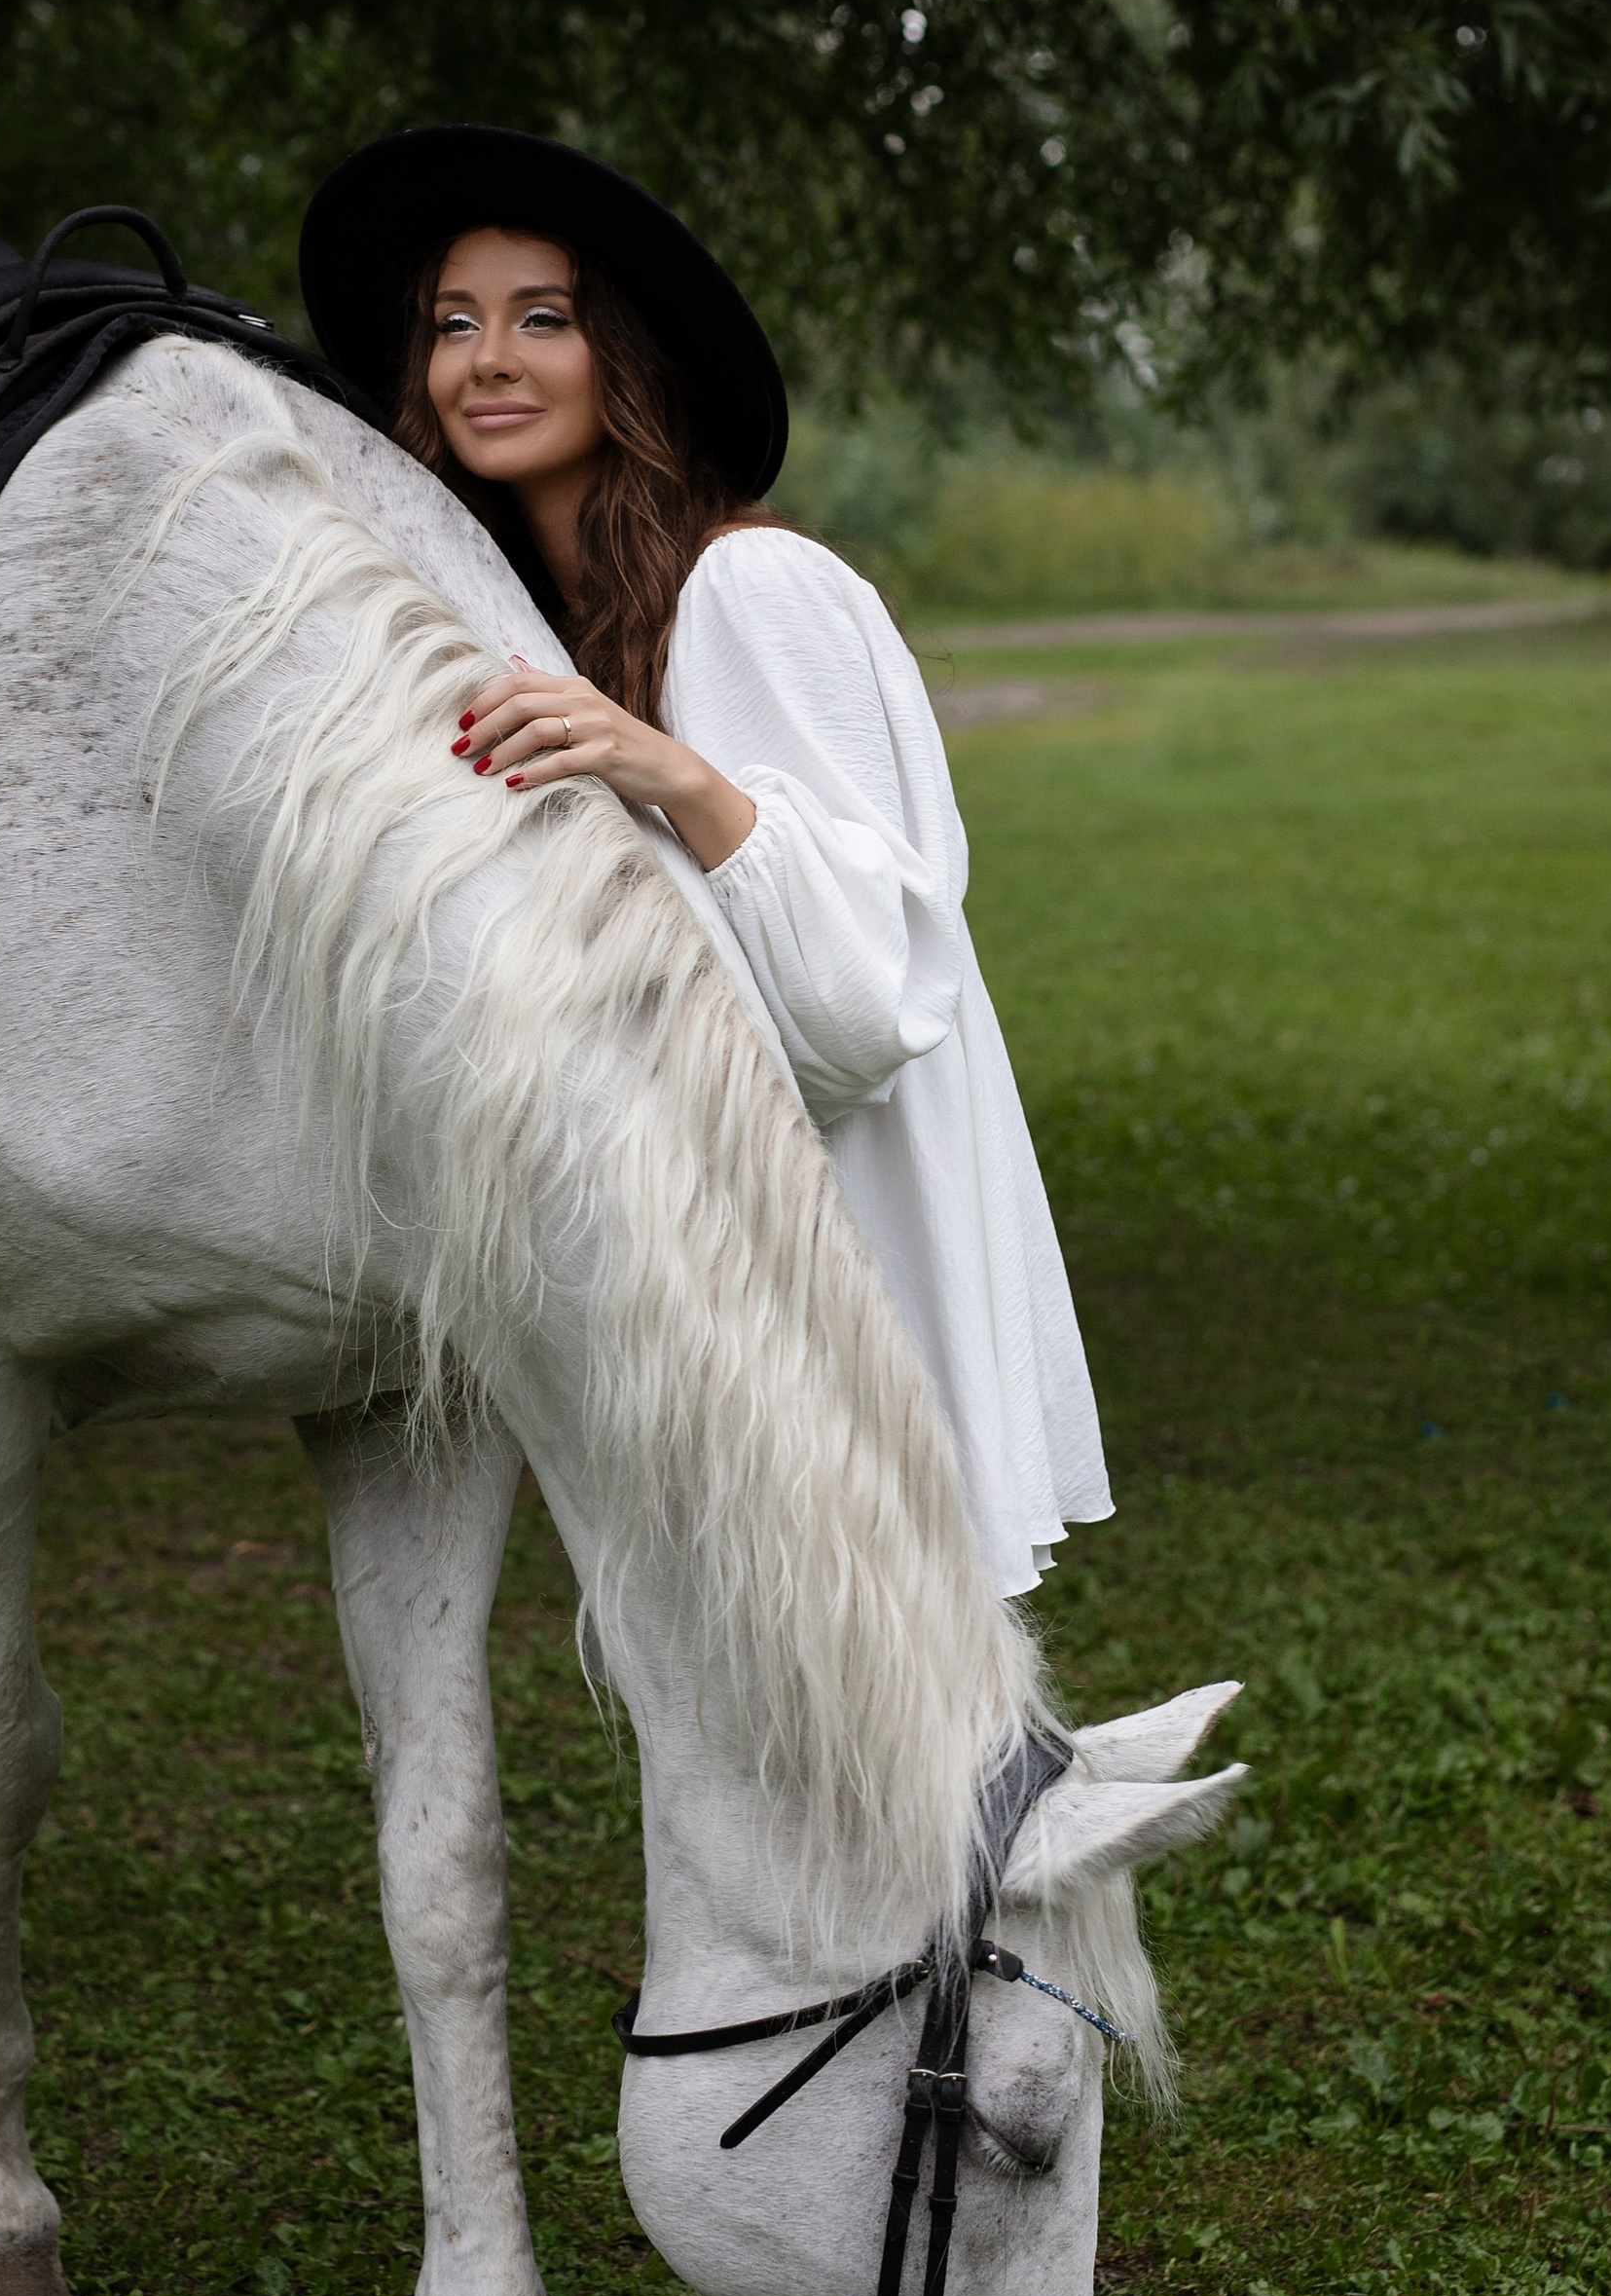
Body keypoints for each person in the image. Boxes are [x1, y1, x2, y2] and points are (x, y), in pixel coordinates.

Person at [298, 126, 1110, 1602]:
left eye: (542, 317)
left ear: (623, 356)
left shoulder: (750, 585)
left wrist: (663, 766)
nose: (487, 358)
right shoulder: (531, 639)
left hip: (849, 1242)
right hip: (701, 1254)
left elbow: (869, 993)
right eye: (452, 325)